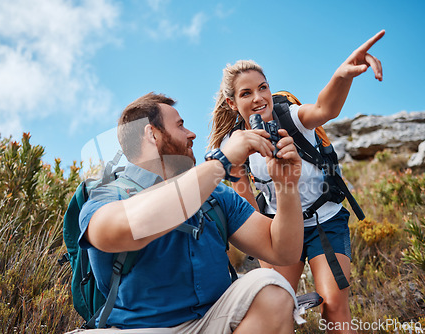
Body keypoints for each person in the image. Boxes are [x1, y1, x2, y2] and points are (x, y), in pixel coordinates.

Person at [72, 92, 305, 333]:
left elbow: (283, 251)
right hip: (136, 328)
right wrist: (221, 162)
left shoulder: (216, 196)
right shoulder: (107, 196)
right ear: (152, 134)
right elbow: (129, 229)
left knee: (273, 287)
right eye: (181, 126)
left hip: (212, 322)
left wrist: (286, 186)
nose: (192, 134)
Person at [208, 30, 385, 333]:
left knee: (334, 309)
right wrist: (263, 249)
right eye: (246, 93)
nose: (258, 97)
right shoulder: (236, 149)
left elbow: (323, 108)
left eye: (263, 88)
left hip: (324, 222)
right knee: (276, 308)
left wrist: (343, 74)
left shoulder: (289, 117)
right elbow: (249, 207)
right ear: (232, 102)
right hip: (280, 228)